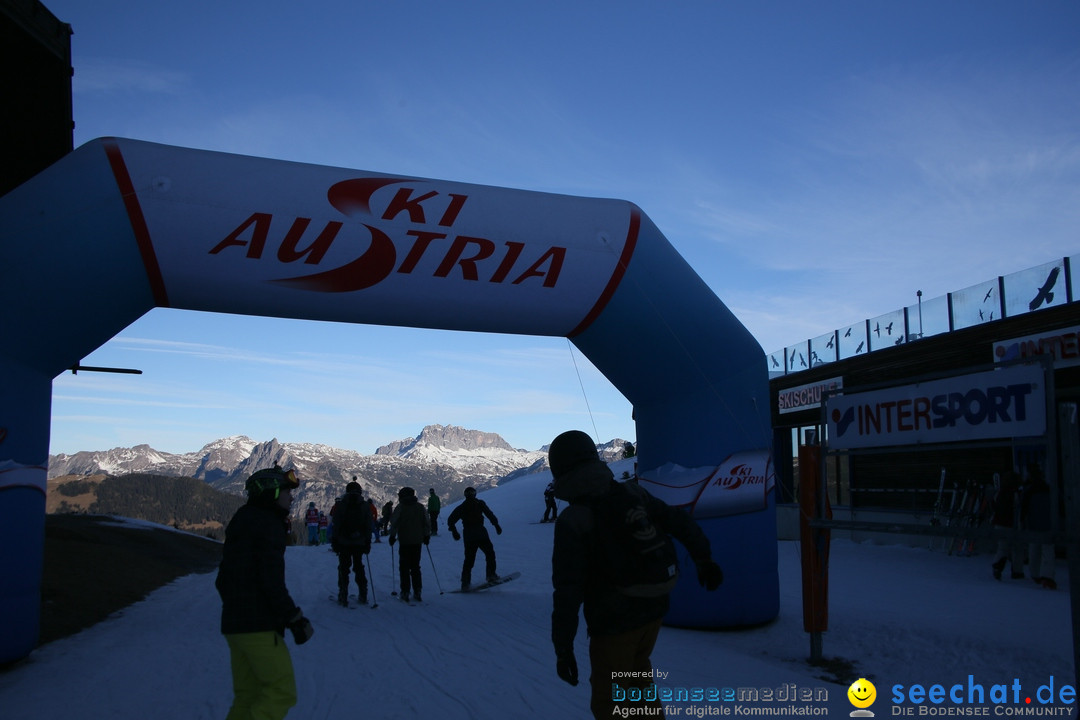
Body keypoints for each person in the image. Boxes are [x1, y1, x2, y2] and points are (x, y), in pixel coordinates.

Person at [547, 430, 723, 720]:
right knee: (639, 677)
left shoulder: (573, 519)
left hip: (614, 621)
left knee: (610, 700)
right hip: (654, 607)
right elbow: (677, 521)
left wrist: (563, 649)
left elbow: (567, 591)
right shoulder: (631, 492)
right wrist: (704, 559)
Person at [216, 465, 314, 720]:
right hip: (258, 627)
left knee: (247, 695)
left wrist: (237, 607)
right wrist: (293, 617)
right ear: (271, 493)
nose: (292, 497)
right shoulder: (268, 525)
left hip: (234, 625)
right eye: (286, 491)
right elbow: (270, 581)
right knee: (280, 691)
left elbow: (222, 580)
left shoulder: (243, 519)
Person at [447, 486, 502, 589]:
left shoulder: (462, 507)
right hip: (481, 533)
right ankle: (491, 575)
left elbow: (450, 520)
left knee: (469, 559)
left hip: (469, 535)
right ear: (475, 494)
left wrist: (454, 531)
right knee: (490, 554)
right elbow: (489, 514)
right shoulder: (479, 503)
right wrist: (496, 525)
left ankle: (465, 582)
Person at [331, 480, 373, 605]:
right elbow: (368, 525)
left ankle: (343, 593)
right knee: (359, 566)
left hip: (344, 542)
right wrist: (367, 541)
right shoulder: (365, 505)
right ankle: (363, 593)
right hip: (359, 542)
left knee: (344, 567)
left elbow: (336, 524)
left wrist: (335, 540)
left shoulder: (341, 505)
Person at [389, 486, 431, 601]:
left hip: (404, 541)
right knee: (415, 567)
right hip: (417, 541)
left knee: (404, 567)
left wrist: (392, 536)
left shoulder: (400, 507)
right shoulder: (420, 507)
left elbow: (394, 523)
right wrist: (426, 535)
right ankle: (417, 591)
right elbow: (426, 522)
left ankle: (405, 591)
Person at [1022, 464, 1056, 589]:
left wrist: (1022, 521)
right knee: (1048, 551)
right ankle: (1047, 576)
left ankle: (1035, 573)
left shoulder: (1028, 491)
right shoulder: (1049, 489)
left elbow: (1023, 509)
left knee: (1034, 550)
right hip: (1048, 524)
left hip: (1033, 524)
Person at [991, 471, 1024, 581]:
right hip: (1012, 524)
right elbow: (1018, 508)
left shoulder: (999, 493)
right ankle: (1017, 571)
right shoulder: (1015, 494)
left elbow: (994, 505)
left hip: (999, 523)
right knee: (1017, 548)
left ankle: (997, 567)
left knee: (1002, 547)